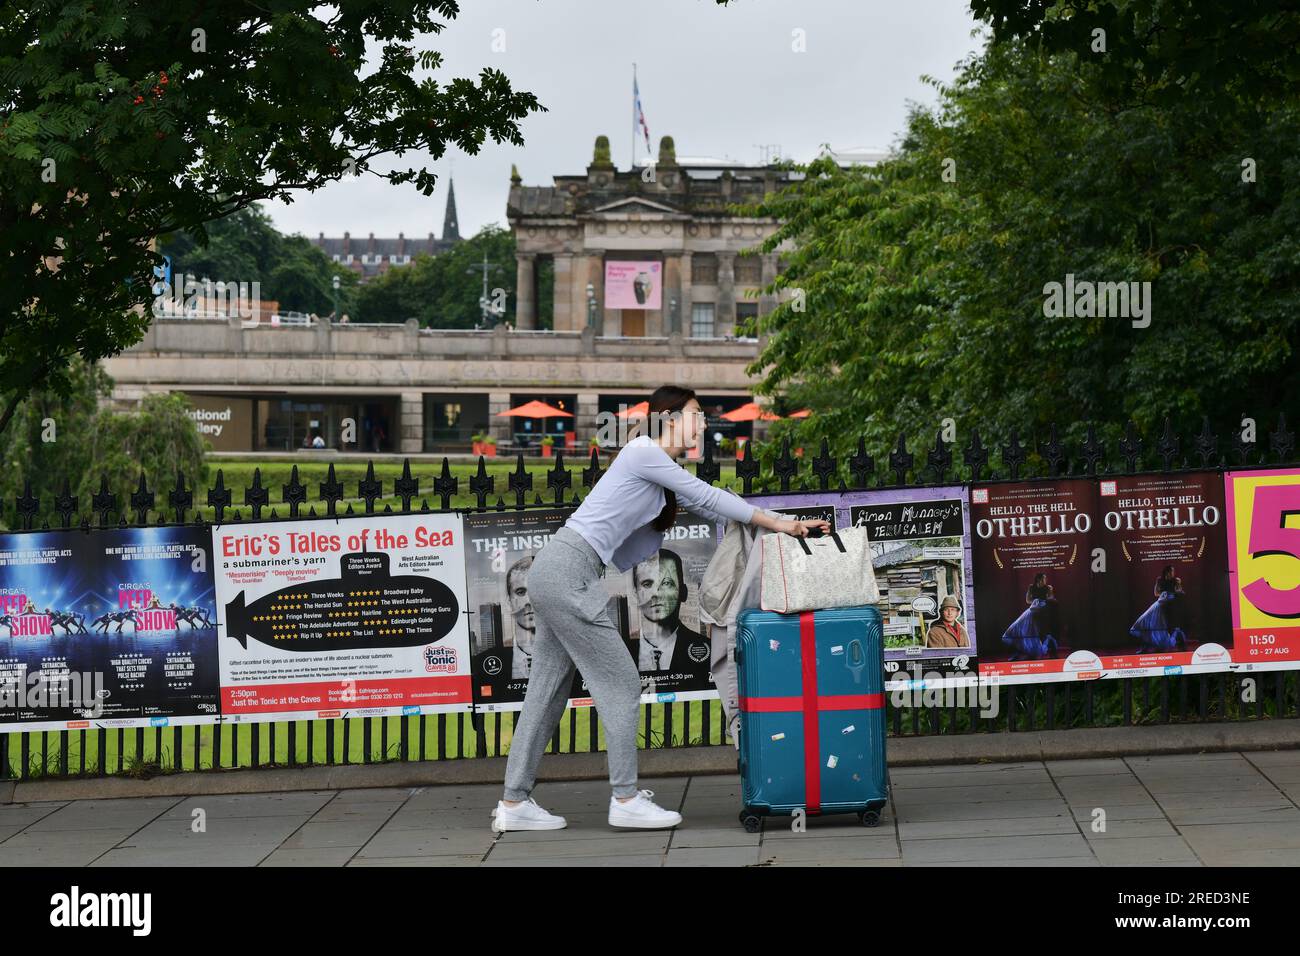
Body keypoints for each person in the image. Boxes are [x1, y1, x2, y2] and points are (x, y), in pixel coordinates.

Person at [493, 385, 830, 833]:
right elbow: (710, 496)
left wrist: (782, 528)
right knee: (622, 682)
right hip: (565, 572)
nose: (705, 423)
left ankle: (514, 803)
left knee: (547, 691)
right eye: (697, 414)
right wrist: (782, 523)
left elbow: (714, 507)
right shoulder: (642, 451)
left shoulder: (659, 469)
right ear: (671, 417)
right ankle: (625, 797)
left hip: (560, 572)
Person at [632, 548, 710, 674]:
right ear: (636, 595)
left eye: (667, 583)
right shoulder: (620, 651)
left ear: (683, 592)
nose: (656, 593)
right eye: (647, 584)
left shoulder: (709, 651)